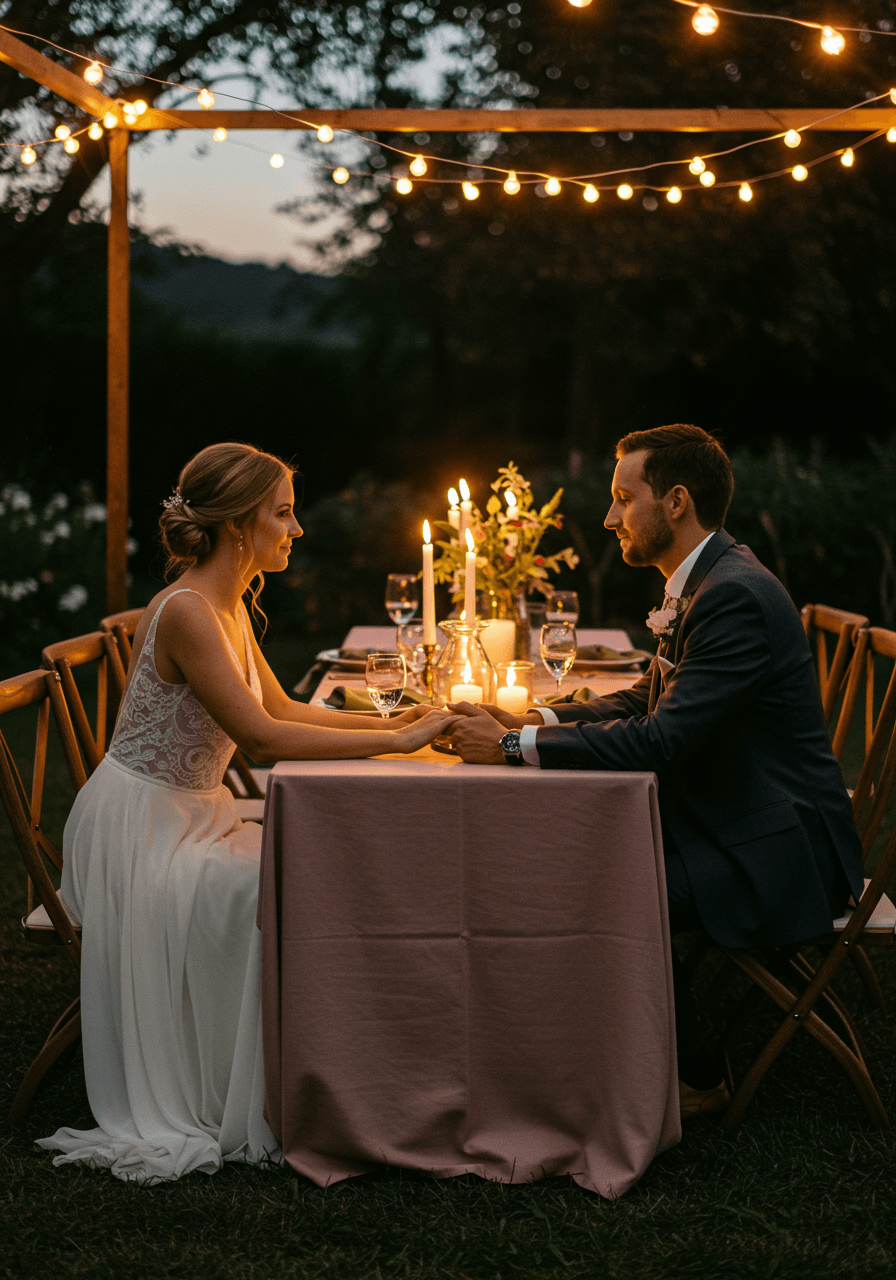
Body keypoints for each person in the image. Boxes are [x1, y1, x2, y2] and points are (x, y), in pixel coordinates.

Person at [38, 442, 457, 1182]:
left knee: (301, 866)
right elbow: (263, 740)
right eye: (284, 514)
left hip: (193, 814)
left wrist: (404, 727)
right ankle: (276, 1089)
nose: (296, 530)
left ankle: (327, 1071)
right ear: (239, 526)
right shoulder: (191, 611)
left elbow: (285, 706)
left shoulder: (228, 603)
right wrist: (397, 738)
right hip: (142, 831)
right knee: (274, 888)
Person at [444, 424, 865, 1119]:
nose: (609, 517)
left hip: (779, 854)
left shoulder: (731, 595)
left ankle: (696, 1075)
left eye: (621, 497)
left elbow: (662, 740)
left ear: (674, 501)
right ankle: (575, 1049)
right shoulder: (712, 576)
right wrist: (534, 722)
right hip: (738, 819)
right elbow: (649, 695)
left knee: (600, 882)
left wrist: (512, 749)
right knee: (577, 852)